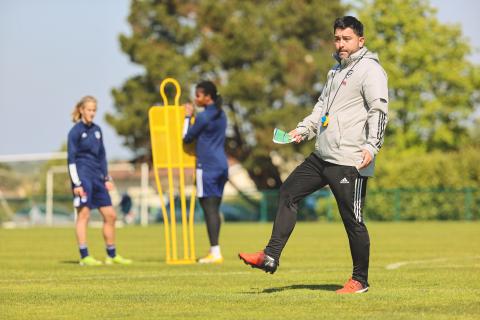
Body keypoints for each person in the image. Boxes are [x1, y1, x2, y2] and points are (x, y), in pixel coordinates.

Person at [238, 16, 388, 294]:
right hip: (321, 156)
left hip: (349, 160)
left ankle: (359, 281)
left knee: (352, 221)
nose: (340, 44)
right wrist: (301, 130)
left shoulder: (371, 70)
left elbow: (378, 110)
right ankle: (270, 255)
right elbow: (322, 109)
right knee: (288, 193)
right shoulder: (335, 71)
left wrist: (371, 146)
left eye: (346, 39)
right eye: (337, 38)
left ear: (360, 41)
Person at [67, 96, 132, 266]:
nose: (92, 113)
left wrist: (106, 177)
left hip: (98, 178)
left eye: (94, 110)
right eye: (89, 110)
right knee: (84, 215)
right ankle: (84, 256)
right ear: (81, 110)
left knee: (111, 215)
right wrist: (77, 184)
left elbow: (102, 156)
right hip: (83, 177)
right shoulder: (75, 132)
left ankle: (111, 255)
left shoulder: (97, 130)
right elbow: (71, 159)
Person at [183, 81, 228, 264]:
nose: (195, 98)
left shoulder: (204, 117)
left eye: (198, 95)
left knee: (209, 209)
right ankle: (215, 250)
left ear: (208, 97)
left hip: (207, 167)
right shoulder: (221, 114)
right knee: (214, 209)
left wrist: (187, 117)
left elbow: (186, 138)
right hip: (222, 166)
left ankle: (215, 252)